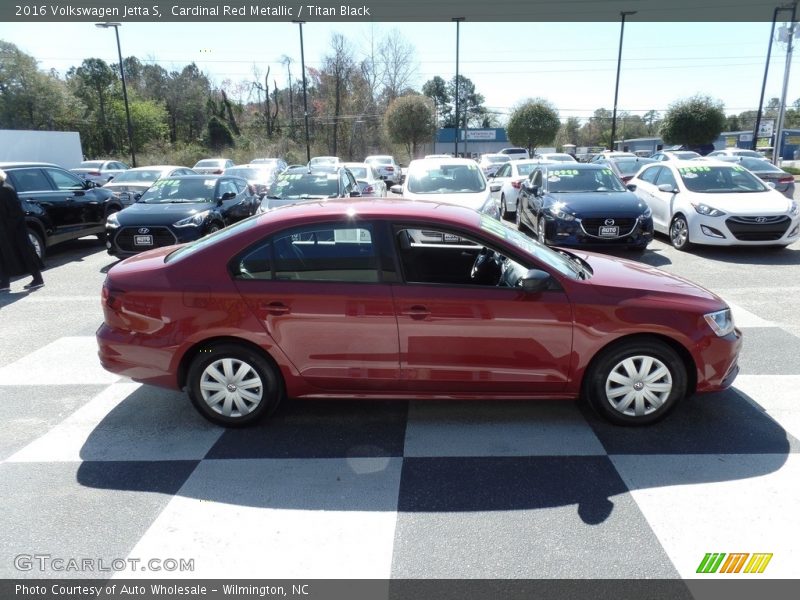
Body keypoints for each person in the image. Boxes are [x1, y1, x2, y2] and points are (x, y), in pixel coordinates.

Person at [0, 168, 44, 292]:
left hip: (14, 229)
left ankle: (37, 279)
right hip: (4, 230)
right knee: (3, 256)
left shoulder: (5, 189)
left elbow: (16, 212)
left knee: (25, 253)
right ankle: (4, 282)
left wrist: (9, 227)